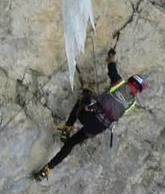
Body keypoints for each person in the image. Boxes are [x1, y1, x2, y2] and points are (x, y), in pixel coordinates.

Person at [33, 48, 147, 181]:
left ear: (131, 80)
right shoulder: (131, 104)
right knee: (71, 143)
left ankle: (67, 128)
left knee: (82, 101)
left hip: (90, 116)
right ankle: (46, 169)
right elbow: (109, 104)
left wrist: (111, 54)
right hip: (97, 128)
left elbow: (111, 67)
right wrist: (93, 94)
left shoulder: (120, 83)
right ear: (138, 90)